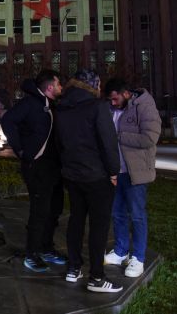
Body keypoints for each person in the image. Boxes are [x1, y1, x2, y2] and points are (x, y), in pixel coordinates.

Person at [55, 69, 122, 293]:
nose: (101, 87)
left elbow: (59, 144)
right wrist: (113, 172)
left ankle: (74, 268)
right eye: (99, 83)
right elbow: (109, 143)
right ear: (92, 85)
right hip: (96, 176)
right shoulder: (97, 106)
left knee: (76, 220)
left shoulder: (61, 108)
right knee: (98, 226)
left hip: (72, 175)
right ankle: (97, 277)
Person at [1, 69, 66, 273]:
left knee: (54, 209)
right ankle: (32, 254)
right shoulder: (30, 104)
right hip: (37, 167)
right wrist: (21, 150)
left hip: (54, 167)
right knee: (40, 211)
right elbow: (7, 121)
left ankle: (47, 248)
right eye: (58, 84)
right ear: (50, 87)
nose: (61, 87)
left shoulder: (52, 105)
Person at [103, 77, 161, 278]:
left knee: (137, 215)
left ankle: (138, 257)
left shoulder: (144, 106)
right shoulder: (111, 109)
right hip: (115, 172)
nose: (113, 102)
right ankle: (121, 251)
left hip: (135, 172)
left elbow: (149, 138)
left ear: (126, 93)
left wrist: (118, 136)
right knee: (117, 213)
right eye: (110, 99)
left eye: (115, 98)